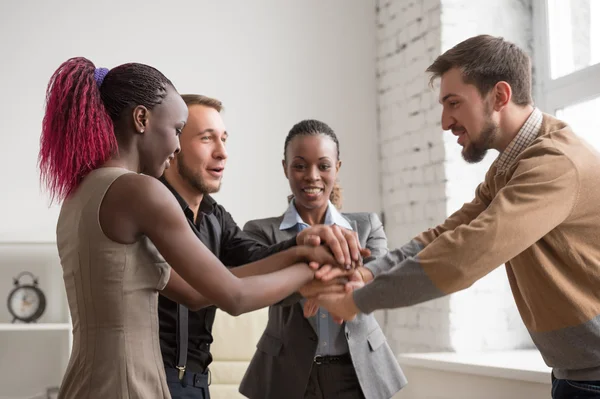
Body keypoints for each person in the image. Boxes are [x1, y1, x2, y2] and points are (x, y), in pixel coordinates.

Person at [39, 58, 354, 399]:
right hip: (129, 386)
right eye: (177, 130)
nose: (175, 147)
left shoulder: (80, 194)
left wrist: (297, 251)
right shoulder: (140, 192)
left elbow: (195, 293)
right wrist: (313, 273)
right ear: (141, 119)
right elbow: (233, 296)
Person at [314, 34, 600, 399]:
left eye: (454, 103)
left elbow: (467, 254)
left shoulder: (554, 164)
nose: (445, 122)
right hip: (577, 375)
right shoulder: (509, 168)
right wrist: (366, 273)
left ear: (499, 96)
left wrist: (356, 300)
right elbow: (446, 235)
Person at [157, 95, 366, 399]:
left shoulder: (216, 216)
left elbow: (256, 257)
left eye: (224, 139)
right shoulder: (151, 205)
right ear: (173, 145)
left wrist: (304, 243)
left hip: (197, 381)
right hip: (155, 379)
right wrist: (307, 265)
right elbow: (201, 293)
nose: (222, 153)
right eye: (206, 139)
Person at [238, 120, 407, 399]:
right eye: (300, 165)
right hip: (288, 373)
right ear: (285, 168)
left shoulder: (366, 226)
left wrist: (313, 275)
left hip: (359, 372)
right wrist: (333, 269)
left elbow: (380, 280)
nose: (312, 176)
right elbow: (259, 291)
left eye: (324, 166)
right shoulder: (260, 232)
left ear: (337, 168)